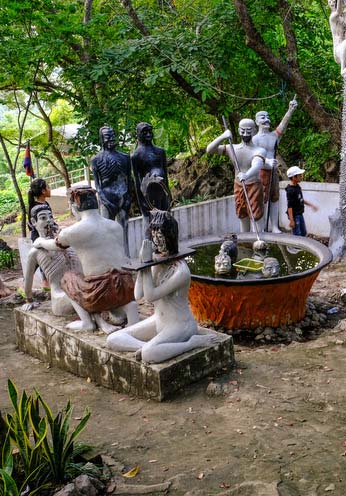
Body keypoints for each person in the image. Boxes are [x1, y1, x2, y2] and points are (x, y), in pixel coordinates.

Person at [107, 210, 222, 363]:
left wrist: (146, 264)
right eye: (154, 237)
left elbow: (150, 296)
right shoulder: (156, 262)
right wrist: (143, 262)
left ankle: (191, 344)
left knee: (148, 355)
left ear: (170, 237)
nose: (157, 242)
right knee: (114, 339)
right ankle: (151, 347)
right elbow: (138, 295)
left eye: (160, 237)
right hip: (159, 321)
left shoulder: (181, 271)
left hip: (181, 326)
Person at [33, 186, 139, 333]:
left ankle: (87, 322)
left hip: (100, 294)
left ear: (74, 206)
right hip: (126, 288)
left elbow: (53, 245)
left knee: (68, 278)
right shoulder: (115, 226)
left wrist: (39, 241)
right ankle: (115, 314)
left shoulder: (73, 231)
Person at [207, 119, 274, 232]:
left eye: (249, 131)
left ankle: (259, 241)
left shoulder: (259, 150)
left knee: (256, 216)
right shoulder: (232, 148)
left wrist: (246, 175)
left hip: (253, 185)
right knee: (242, 215)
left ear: (254, 131)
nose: (245, 134)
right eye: (243, 131)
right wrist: (223, 136)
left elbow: (257, 164)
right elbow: (209, 150)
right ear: (238, 130)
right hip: (238, 185)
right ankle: (245, 243)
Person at [22, 204, 83, 316]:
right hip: (62, 295)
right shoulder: (35, 251)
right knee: (81, 295)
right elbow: (27, 279)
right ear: (33, 222)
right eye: (43, 218)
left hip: (81, 286)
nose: (49, 221)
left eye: (50, 217)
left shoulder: (64, 238)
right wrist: (29, 300)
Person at [253, 99, 298, 232]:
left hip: (273, 173)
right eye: (262, 117)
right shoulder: (254, 139)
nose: (266, 119)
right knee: (261, 200)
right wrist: (265, 161)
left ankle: (274, 226)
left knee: (275, 198)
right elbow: (253, 158)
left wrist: (290, 110)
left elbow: (283, 126)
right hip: (261, 173)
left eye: (267, 117)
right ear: (256, 121)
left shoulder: (274, 136)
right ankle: (260, 227)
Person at [91, 126, 132, 255]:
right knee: (106, 232)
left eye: (113, 135)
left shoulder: (125, 157)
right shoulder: (96, 160)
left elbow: (129, 181)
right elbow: (98, 186)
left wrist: (128, 199)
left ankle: (126, 258)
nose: (111, 139)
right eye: (108, 136)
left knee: (123, 231)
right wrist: (104, 200)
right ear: (102, 139)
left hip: (122, 197)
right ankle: (110, 261)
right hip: (107, 200)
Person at [131, 122, 171, 236]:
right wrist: (142, 203)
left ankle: (168, 246)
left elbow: (166, 176)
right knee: (151, 225)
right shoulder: (136, 156)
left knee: (166, 222)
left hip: (162, 193)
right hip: (148, 195)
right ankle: (152, 249)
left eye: (150, 131)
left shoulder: (160, 151)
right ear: (138, 134)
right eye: (145, 132)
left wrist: (168, 195)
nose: (148, 134)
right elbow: (137, 181)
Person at [286, 166, 318, 237]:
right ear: (294, 177)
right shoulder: (290, 190)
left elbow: (301, 199)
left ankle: (299, 247)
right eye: (299, 176)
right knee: (297, 234)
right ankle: (295, 247)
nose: (301, 177)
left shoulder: (297, 187)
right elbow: (289, 206)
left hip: (300, 213)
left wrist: (311, 205)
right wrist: (291, 220)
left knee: (303, 232)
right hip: (294, 216)